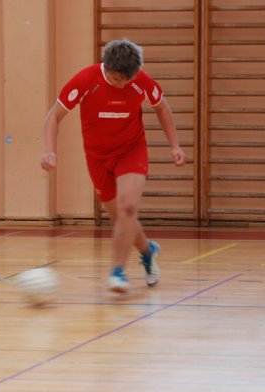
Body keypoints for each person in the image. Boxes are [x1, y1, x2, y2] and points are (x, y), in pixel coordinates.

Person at [41, 39, 185, 293]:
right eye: (117, 79)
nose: (122, 85)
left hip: (131, 151)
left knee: (128, 207)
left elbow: (162, 109)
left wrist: (175, 145)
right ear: (106, 67)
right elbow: (54, 116)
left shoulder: (141, 81)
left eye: (127, 80)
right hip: (97, 157)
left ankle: (118, 272)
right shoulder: (85, 80)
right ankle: (148, 251)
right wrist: (49, 150)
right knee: (120, 218)